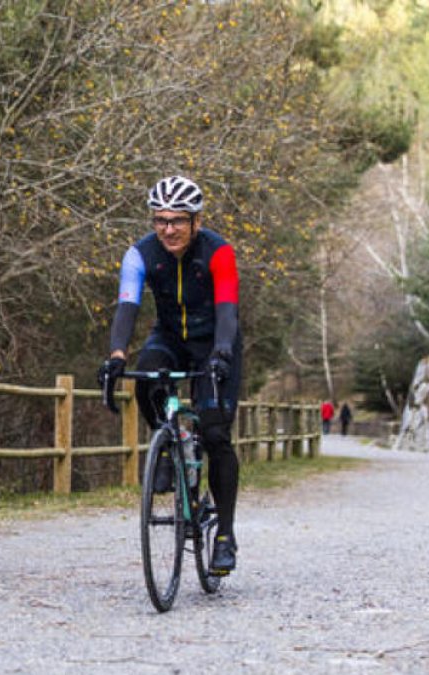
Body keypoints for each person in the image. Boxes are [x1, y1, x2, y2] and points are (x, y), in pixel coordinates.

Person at [97, 175, 242, 575]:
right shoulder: (140, 254)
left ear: (196, 221)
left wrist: (222, 353)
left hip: (215, 339)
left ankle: (225, 536)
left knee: (215, 434)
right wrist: (116, 354)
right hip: (170, 338)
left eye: (178, 220)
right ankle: (168, 442)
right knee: (146, 378)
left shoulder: (218, 252)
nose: (168, 229)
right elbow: (127, 306)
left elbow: (228, 308)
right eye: (160, 220)